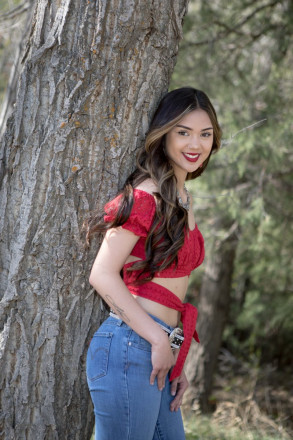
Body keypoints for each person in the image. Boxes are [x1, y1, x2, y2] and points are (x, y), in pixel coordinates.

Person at [85, 87, 222, 439]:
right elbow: (101, 274)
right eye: (184, 132)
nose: (196, 144)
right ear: (164, 135)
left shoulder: (182, 197)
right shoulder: (146, 196)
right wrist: (158, 342)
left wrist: (173, 351)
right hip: (130, 346)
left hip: (158, 350)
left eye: (205, 134)